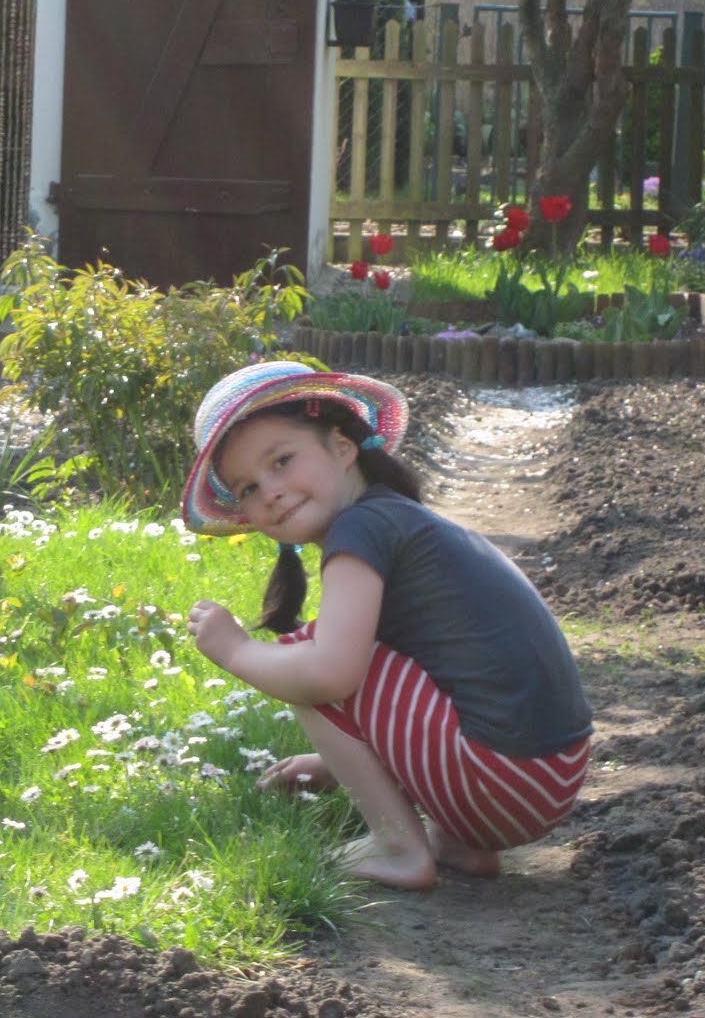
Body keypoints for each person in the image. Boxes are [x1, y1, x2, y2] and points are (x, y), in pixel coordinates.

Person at [181, 360, 591, 888]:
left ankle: (399, 846)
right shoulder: (392, 517)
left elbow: (331, 675)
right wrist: (339, 761)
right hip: (550, 774)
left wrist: (234, 650)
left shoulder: (361, 529)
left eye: (282, 461)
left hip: (504, 777)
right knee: (340, 647)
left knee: (306, 654)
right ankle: (461, 843)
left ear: (343, 447)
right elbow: (434, 669)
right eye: (247, 489)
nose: (270, 492)